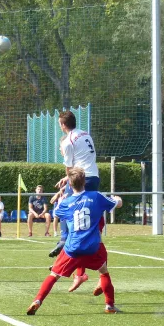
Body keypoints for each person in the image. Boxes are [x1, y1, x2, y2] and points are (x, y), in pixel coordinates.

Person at [27, 167, 122, 315]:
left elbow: (57, 212)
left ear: (70, 185)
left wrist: (63, 199)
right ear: (84, 181)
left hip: (72, 247)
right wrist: (117, 199)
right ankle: (109, 305)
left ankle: (38, 300)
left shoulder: (67, 202)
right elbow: (117, 204)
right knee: (104, 272)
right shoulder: (96, 196)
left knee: (54, 275)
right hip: (92, 247)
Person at [49, 110, 99, 257]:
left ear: (63, 125)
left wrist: (66, 184)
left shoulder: (67, 141)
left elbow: (69, 167)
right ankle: (80, 262)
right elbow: (83, 158)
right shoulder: (85, 134)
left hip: (82, 178)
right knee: (88, 213)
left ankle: (64, 240)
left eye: (59, 123)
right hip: (94, 177)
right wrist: (66, 180)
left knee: (65, 206)